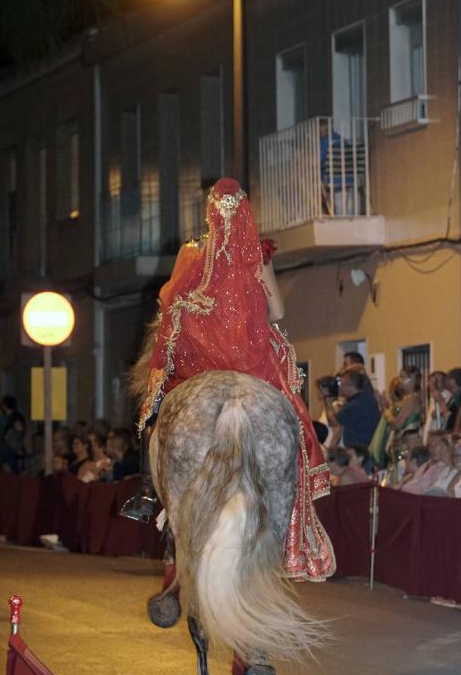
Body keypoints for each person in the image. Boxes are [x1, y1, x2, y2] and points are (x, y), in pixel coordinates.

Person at [132, 177, 334, 582]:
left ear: (209, 212)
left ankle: (148, 494)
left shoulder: (193, 254)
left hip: (202, 362)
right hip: (250, 364)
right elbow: (275, 312)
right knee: (290, 419)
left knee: (158, 414)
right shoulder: (258, 253)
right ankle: (294, 528)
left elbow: (170, 304)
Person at [324, 367, 380, 448]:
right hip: (367, 449)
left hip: (359, 452)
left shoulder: (354, 405)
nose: (340, 388)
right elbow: (361, 370)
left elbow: (333, 422)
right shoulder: (367, 396)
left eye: (342, 385)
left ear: (351, 386)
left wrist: (327, 398)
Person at [423, 371, 451, 442]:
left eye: (439, 380)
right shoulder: (431, 398)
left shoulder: (447, 396)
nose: (435, 383)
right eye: (433, 380)